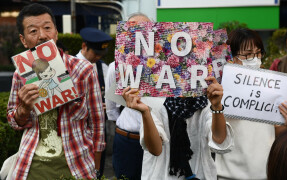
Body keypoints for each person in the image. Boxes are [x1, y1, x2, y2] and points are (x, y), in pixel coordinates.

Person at [6, 3, 105, 179]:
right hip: (31, 168)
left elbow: (97, 122)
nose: (42, 35)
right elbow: (14, 122)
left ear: (56, 33)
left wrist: (96, 168)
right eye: (33, 31)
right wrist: (23, 109)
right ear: (23, 39)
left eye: (47, 28)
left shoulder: (83, 70)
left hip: (77, 168)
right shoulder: (19, 74)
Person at [215, 28, 287, 180]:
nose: (255, 59)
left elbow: (277, 133)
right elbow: (217, 138)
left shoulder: (271, 86)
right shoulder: (220, 92)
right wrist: (217, 107)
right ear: (231, 58)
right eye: (247, 55)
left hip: (266, 173)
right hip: (228, 175)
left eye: (258, 53)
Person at [122, 74, 234, 180]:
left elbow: (220, 142)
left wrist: (217, 107)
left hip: (200, 173)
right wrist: (145, 113)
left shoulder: (207, 101)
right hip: (161, 175)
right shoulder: (154, 99)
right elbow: (155, 149)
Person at [105, 13, 151, 180]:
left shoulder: (167, 68)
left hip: (159, 142)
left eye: (144, 29)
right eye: (133, 29)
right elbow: (111, 110)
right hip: (128, 142)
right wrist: (129, 124)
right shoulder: (115, 67)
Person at [76, 27, 112, 177]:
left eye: (101, 54)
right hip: (78, 130)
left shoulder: (102, 67)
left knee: (98, 170)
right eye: (95, 53)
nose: (98, 57)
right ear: (84, 46)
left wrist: (106, 104)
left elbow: (109, 94)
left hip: (99, 129)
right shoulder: (71, 67)